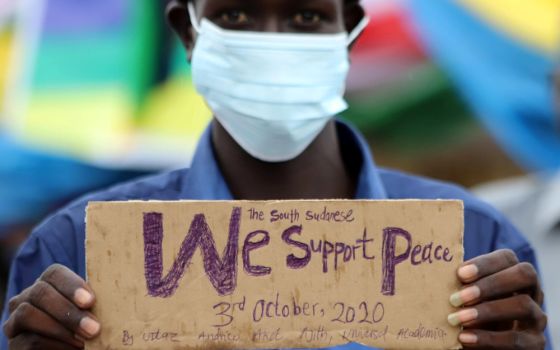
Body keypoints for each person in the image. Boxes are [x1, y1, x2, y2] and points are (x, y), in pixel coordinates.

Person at [0, 0, 550, 349]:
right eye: (236, 16)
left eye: (306, 17)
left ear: (349, 31)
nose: (274, 43)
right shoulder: (74, 249)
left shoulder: (476, 241)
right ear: (187, 33)